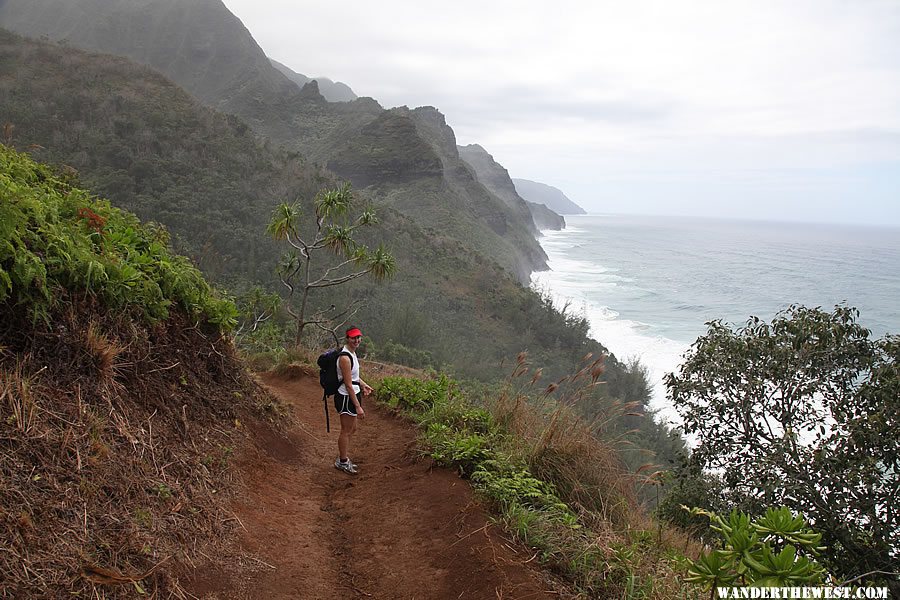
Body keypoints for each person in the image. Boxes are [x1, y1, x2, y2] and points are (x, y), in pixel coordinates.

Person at [334, 326, 373, 475]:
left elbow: (354, 377)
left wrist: (364, 385)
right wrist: (358, 407)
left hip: (353, 394)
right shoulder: (344, 357)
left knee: (353, 428)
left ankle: (342, 457)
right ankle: (342, 461)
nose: (356, 340)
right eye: (353, 338)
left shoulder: (352, 353)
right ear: (347, 339)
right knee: (346, 430)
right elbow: (348, 384)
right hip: (346, 396)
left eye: (358, 337)